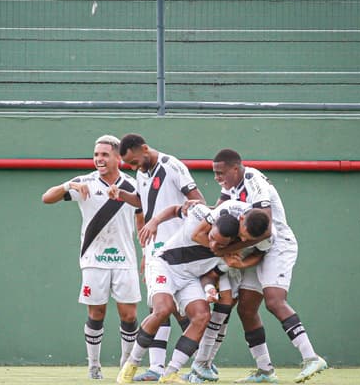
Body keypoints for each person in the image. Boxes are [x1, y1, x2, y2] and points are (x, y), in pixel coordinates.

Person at [117, 202, 270, 384]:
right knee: (163, 309)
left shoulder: (230, 255)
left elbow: (210, 276)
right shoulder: (199, 214)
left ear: (230, 242)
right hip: (163, 265)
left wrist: (209, 289)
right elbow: (175, 209)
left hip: (189, 279)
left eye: (220, 244)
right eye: (211, 237)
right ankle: (130, 364)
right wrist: (155, 221)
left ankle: (170, 373)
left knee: (202, 316)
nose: (212, 244)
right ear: (212, 225)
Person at [212, 149, 327, 383]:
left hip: (277, 245)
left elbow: (265, 231)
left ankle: (312, 357)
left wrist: (224, 250)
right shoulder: (230, 185)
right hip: (256, 249)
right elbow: (217, 212)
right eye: (215, 173)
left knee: (274, 301)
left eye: (221, 172)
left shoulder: (254, 181)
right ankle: (265, 370)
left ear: (236, 168)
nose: (217, 177)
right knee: (246, 308)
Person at [41, 135, 143, 380]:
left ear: (118, 158)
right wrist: (68, 186)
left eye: (105, 154)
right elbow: (46, 198)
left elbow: (142, 219)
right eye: (96, 154)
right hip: (93, 260)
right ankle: (94, 366)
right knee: (96, 313)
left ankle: (125, 365)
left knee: (129, 315)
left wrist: (147, 254)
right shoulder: (83, 182)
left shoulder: (132, 185)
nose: (99, 159)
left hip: (125, 260)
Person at [109, 133, 206, 382]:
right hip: (156, 253)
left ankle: (197, 365)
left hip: (182, 252)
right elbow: (143, 204)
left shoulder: (172, 166)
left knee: (191, 313)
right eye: (129, 165)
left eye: (134, 162)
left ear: (144, 148)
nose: (133, 168)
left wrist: (182, 216)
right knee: (160, 308)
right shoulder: (142, 173)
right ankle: (155, 368)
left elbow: (198, 201)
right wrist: (120, 194)